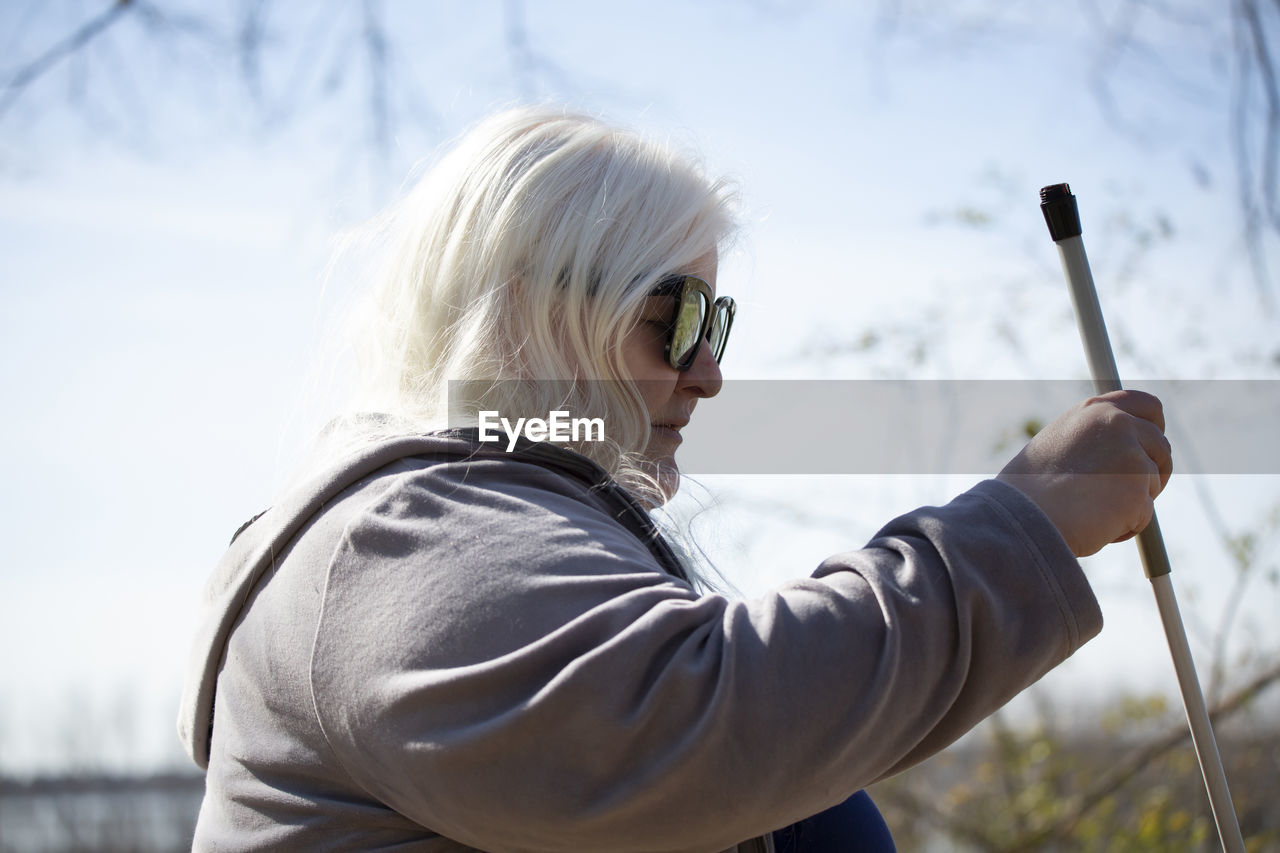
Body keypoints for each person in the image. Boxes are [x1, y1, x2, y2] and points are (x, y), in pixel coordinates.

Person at [178, 106, 1172, 852]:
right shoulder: (402, 540)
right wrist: (1021, 527)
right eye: (677, 314)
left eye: (717, 320)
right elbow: (694, 722)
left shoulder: (462, 521)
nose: (708, 370)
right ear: (528, 309)